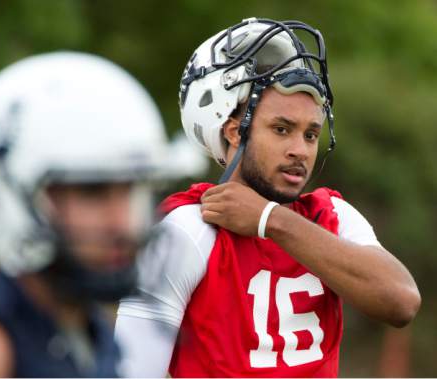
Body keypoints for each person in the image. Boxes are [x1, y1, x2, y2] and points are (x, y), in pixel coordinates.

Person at [114, 18, 421, 377]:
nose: (300, 150)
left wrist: (270, 219)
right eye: (281, 129)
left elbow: (401, 302)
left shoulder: (332, 215)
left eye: (310, 134)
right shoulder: (187, 231)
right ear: (232, 132)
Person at [0, 51, 185, 377]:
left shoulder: (88, 331)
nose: (122, 223)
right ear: (11, 195)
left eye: (130, 191)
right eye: (91, 193)